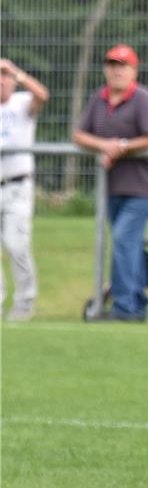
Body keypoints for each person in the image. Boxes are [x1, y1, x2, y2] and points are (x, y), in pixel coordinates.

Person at [73, 44, 148, 321]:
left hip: (142, 186)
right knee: (130, 245)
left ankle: (124, 308)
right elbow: (79, 135)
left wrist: (122, 146)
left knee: (123, 240)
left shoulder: (142, 98)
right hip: (113, 186)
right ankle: (137, 305)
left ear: (133, 70)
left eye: (122, 65)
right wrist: (105, 145)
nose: (116, 70)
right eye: (112, 64)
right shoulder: (98, 99)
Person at [0, 58, 50, 321]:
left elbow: (42, 95)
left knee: (16, 245)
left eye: (3, 76)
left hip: (16, 185)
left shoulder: (21, 103)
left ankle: (24, 304)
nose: (1, 80)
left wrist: (16, 72)